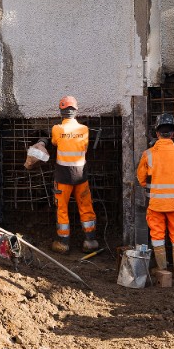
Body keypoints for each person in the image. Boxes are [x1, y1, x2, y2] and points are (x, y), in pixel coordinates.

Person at [137, 113, 174, 279]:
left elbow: (141, 180)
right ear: (173, 133)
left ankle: (162, 269)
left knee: (157, 235)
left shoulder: (148, 154)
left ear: (157, 133)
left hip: (156, 204)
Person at [50, 95, 100, 253]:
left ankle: (63, 243)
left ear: (61, 112)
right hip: (81, 176)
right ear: (76, 111)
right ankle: (90, 241)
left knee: (62, 208)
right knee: (86, 206)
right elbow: (85, 148)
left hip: (63, 177)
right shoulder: (84, 129)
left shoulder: (57, 129)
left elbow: (54, 142)